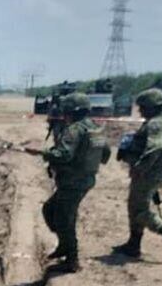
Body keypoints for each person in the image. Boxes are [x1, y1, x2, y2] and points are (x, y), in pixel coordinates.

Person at [24, 92, 111, 273]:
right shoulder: (95, 128)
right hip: (85, 179)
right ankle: (64, 246)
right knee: (50, 209)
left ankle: (72, 259)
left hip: (72, 181)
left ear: (70, 111)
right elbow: (106, 154)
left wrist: (42, 152)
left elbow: (63, 155)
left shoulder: (74, 129)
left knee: (64, 219)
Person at [112, 88, 162, 260]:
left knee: (140, 209)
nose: (140, 110)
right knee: (135, 205)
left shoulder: (155, 123)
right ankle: (133, 244)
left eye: (143, 107)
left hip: (149, 172)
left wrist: (140, 167)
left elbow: (155, 147)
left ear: (152, 107)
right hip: (153, 170)